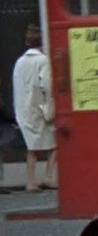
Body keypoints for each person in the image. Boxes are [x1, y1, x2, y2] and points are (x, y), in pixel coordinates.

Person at [12, 23, 57, 192]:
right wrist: (47, 108)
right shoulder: (42, 60)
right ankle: (50, 176)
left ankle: (31, 181)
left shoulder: (20, 61)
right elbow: (45, 85)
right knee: (56, 144)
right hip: (38, 107)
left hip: (23, 109)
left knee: (32, 148)